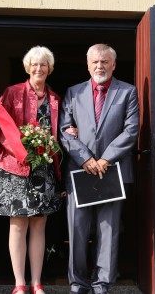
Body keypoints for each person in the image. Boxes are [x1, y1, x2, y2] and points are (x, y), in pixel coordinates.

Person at [59, 44, 140, 294]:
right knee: (78, 228)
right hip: (80, 171)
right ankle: (77, 281)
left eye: (104, 61)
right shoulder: (73, 93)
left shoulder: (127, 92)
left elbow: (131, 130)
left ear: (113, 64)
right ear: (87, 65)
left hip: (112, 170)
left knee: (109, 228)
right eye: (94, 62)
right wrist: (85, 159)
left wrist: (105, 159)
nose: (99, 66)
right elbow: (64, 130)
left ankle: (103, 281)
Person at [0, 46, 64, 294]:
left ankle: (37, 283)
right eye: (34, 64)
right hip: (15, 167)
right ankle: (19, 285)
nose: (39, 68)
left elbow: (61, 133)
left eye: (43, 64)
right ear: (27, 67)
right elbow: (0, 128)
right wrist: (21, 149)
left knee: (39, 225)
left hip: (43, 170)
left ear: (50, 69)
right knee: (18, 225)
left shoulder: (56, 99)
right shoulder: (12, 93)